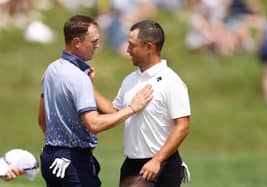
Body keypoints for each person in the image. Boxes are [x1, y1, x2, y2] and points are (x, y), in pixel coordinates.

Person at [38, 15, 153, 187]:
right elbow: (94, 124)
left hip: (51, 159)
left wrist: (55, 150)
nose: (97, 45)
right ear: (77, 42)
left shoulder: (51, 70)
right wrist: (132, 108)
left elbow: (42, 119)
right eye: (93, 41)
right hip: (74, 163)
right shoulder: (78, 78)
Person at [94, 20, 191, 187]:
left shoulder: (171, 82)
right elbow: (114, 111)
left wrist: (157, 160)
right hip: (131, 165)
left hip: (161, 166)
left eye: (132, 45)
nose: (127, 50)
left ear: (149, 47)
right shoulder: (130, 80)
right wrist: (88, 86)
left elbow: (182, 126)